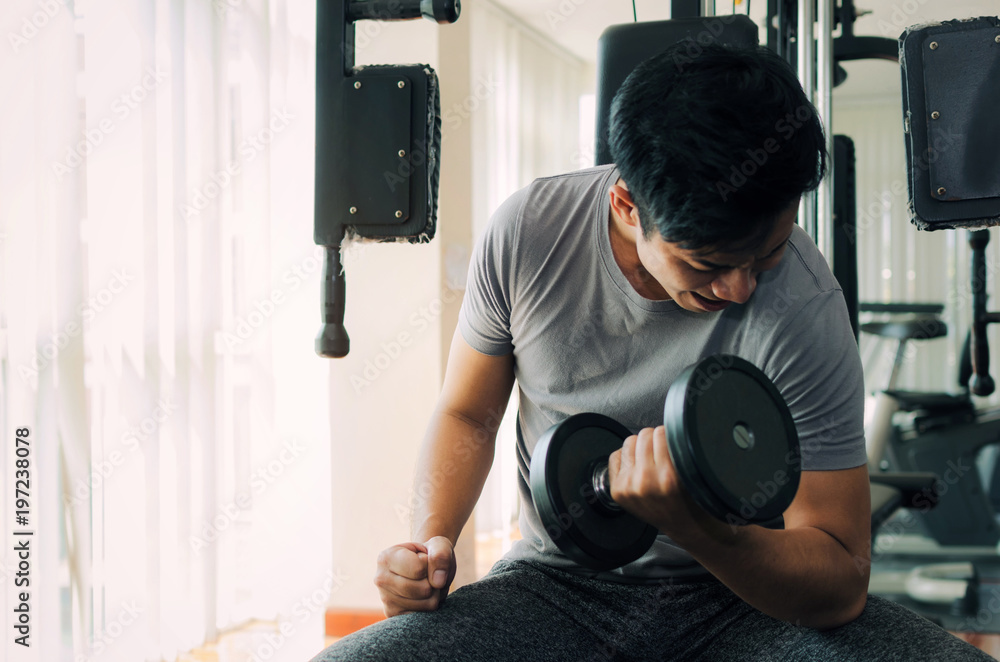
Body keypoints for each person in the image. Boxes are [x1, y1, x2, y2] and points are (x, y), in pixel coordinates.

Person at [312, 43, 993, 661]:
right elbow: (468, 413)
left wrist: (701, 530)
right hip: (555, 588)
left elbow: (840, 581)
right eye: (709, 264)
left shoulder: (805, 304)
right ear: (626, 206)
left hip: (749, 601)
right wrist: (430, 543)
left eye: (768, 253)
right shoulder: (529, 234)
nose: (741, 289)